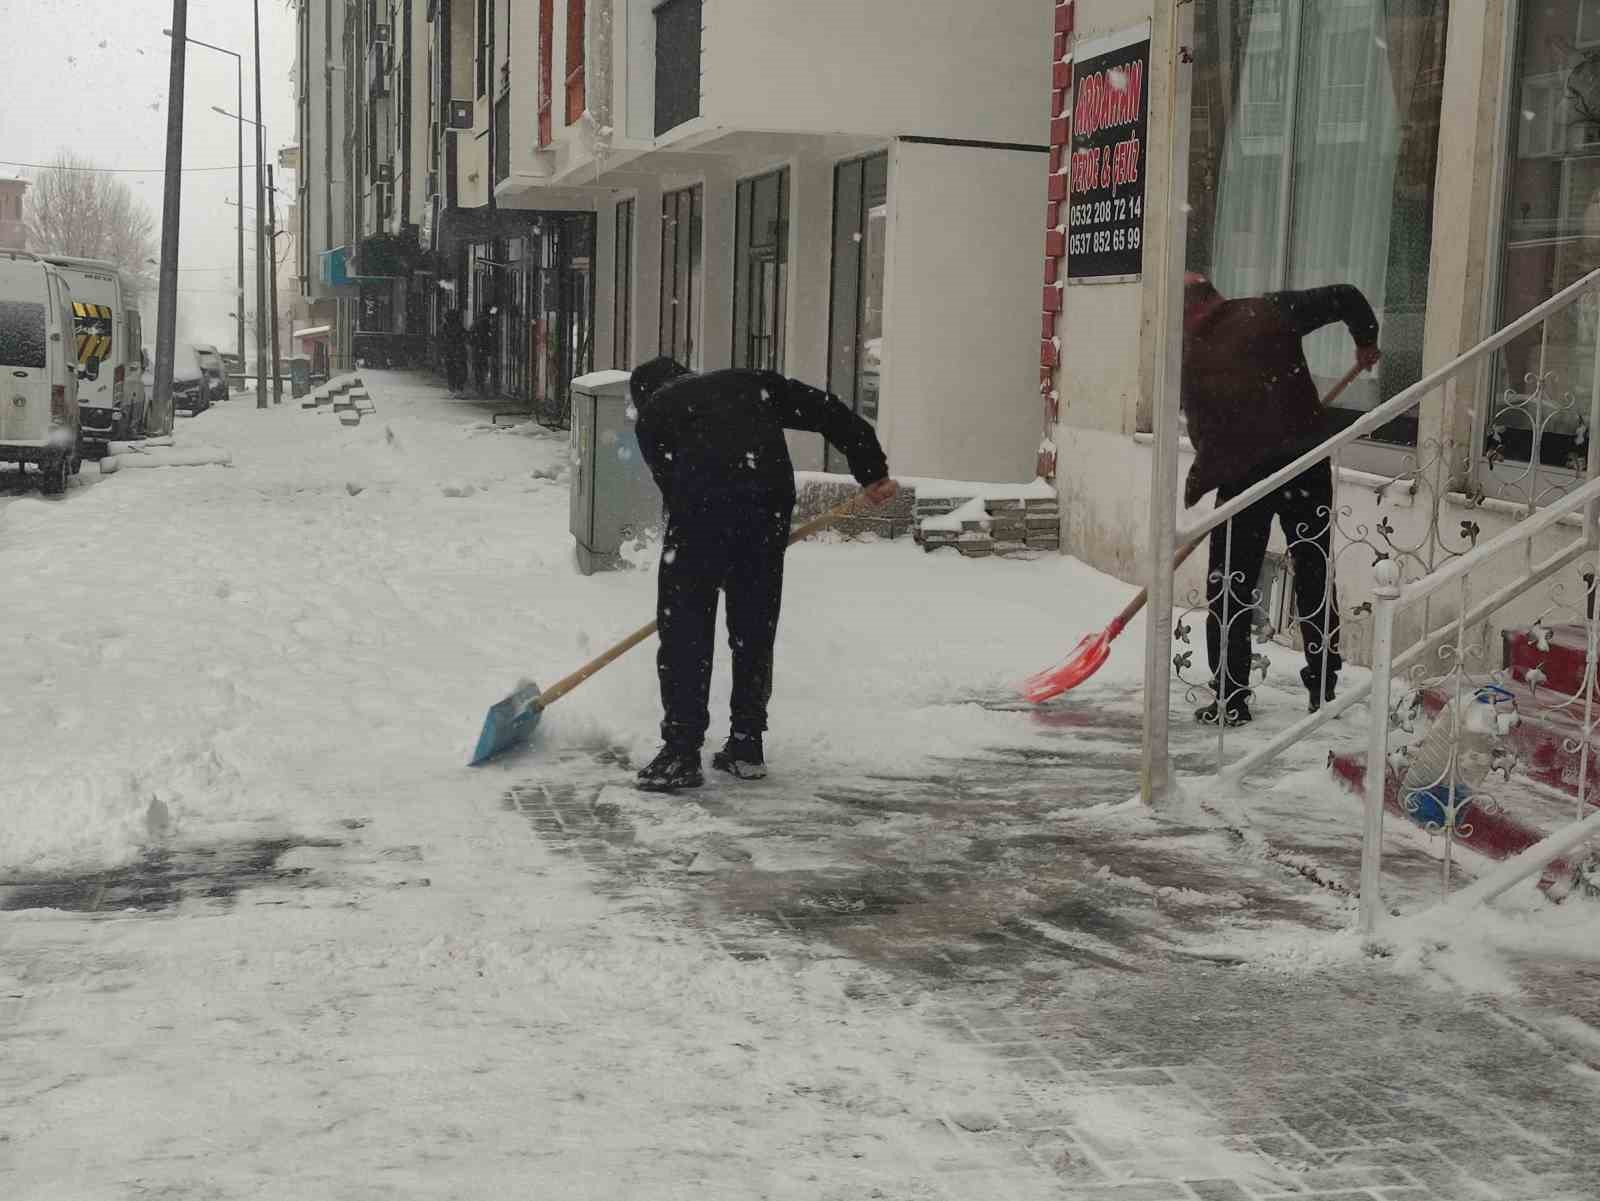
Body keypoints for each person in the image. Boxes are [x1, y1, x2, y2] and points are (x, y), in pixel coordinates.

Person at [629, 356, 898, 791]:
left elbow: (672, 486)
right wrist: (872, 471)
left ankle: (681, 752)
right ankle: (746, 743)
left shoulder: (654, 415)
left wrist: (699, 552)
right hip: (765, 512)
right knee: (752, 630)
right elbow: (831, 412)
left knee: (686, 634)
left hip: (700, 514)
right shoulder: (748, 382)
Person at [1181, 274, 1382, 727]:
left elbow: (1203, 433)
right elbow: (1345, 296)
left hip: (1252, 474)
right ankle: (1323, 687)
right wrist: (1365, 340)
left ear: (1191, 310)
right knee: (1312, 571)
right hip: (1301, 462)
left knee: (1230, 584)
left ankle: (1231, 697)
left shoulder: (1195, 353)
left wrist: (1205, 478)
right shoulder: (1267, 310)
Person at [441, 310, 468, 394]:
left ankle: (452, 388)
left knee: (451, 371)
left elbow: (442, 340)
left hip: (450, 352)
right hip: (457, 352)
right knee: (460, 371)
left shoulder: (445, 327)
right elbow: (464, 337)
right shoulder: (458, 326)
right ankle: (458, 388)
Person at [472, 312, 497, 396]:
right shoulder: (486, 325)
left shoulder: (476, 325)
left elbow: (472, 338)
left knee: (479, 368)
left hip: (479, 351)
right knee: (484, 367)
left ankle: (479, 385)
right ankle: (482, 385)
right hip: (485, 350)